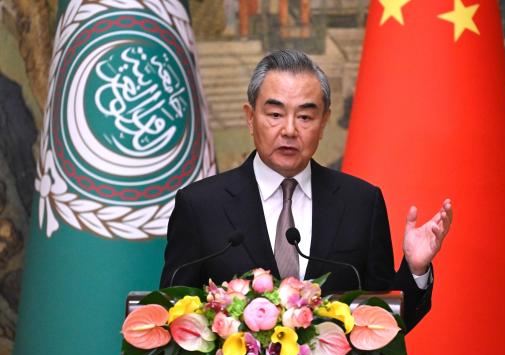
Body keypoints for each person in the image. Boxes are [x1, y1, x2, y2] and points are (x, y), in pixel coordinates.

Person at [160, 49, 452, 334]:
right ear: (250, 118)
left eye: (305, 117)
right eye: (275, 114)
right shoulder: (200, 206)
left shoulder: (361, 203)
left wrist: (416, 269)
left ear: (323, 122)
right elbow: (174, 319)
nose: (289, 130)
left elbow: (383, 326)